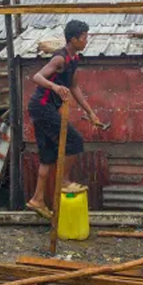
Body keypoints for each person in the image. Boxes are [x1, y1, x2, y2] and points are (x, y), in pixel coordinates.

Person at [26, 20, 103, 219]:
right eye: (84, 37)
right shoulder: (60, 58)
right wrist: (54, 87)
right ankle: (64, 181)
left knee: (47, 156)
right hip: (42, 106)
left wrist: (90, 112)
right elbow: (37, 77)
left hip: (46, 108)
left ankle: (37, 199)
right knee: (74, 141)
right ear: (74, 39)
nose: (86, 40)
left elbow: (74, 86)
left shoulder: (73, 59)